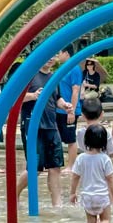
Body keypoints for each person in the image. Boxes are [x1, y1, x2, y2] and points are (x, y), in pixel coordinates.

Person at [17, 57, 71, 207]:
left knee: (55, 166)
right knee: (35, 168)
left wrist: (64, 105)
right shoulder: (30, 76)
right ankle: (15, 193)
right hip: (33, 126)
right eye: (48, 55)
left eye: (53, 56)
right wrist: (33, 96)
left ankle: (57, 204)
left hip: (51, 125)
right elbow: (16, 97)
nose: (50, 58)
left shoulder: (54, 77)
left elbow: (57, 98)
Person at [70, 124, 113, 223]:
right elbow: (110, 179)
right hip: (102, 196)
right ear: (104, 142)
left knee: (90, 222)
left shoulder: (81, 158)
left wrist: (72, 193)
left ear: (86, 140)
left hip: (87, 196)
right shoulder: (105, 159)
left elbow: (75, 176)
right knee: (106, 220)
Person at [55, 46, 81, 172]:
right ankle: (59, 164)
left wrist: (72, 110)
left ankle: (71, 166)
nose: (57, 56)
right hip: (60, 109)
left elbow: (75, 91)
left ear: (66, 53)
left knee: (71, 139)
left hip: (70, 110)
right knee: (58, 137)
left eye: (59, 52)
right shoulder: (62, 68)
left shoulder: (74, 68)